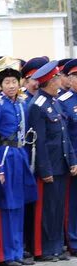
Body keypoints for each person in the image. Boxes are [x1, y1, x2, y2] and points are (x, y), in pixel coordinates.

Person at [26, 61, 77, 261]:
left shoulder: (54, 102)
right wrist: (44, 169)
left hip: (61, 162)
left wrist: (71, 160)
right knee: (45, 210)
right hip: (48, 166)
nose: (59, 82)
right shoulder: (37, 106)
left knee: (57, 208)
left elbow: (64, 136)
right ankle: (44, 249)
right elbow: (39, 142)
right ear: (48, 81)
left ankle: (56, 246)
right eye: (56, 79)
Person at [0, 59, 37, 266]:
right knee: (7, 205)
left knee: (18, 204)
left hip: (19, 153)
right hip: (5, 153)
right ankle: (5, 253)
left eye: (14, 81)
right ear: (0, 85)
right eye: (7, 82)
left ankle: (17, 251)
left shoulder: (20, 103)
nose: (11, 85)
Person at [57, 59, 77, 255]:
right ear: (69, 79)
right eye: (76, 76)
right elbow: (65, 135)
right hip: (75, 158)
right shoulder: (63, 102)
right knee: (72, 203)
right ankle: (74, 241)